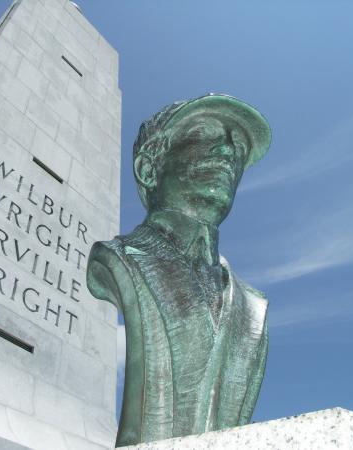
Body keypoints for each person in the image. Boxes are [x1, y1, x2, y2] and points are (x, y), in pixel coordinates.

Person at [87, 94, 271, 447]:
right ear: (148, 168)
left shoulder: (252, 306)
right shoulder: (122, 257)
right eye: (205, 132)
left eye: (238, 147)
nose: (229, 152)